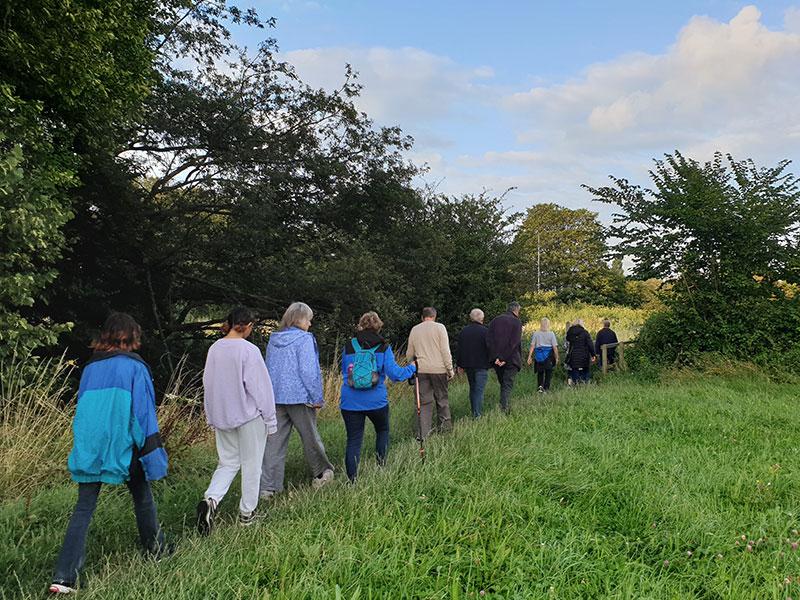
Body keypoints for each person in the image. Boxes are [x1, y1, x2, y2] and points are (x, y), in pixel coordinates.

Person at [49, 313, 169, 594]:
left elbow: (83, 409)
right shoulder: (135, 368)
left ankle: (63, 577)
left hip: (90, 446)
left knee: (83, 508)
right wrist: (154, 457)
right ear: (132, 336)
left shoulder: (91, 367)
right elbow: (143, 417)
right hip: (123, 446)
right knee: (142, 496)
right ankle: (158, 550)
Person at [196, 306, 277, 534]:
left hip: (223, 415)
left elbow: (208, 383)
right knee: (252, 465)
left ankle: (211, 500)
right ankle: (247, 514)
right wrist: (270, 419)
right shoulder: (248, 351)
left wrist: (211, 414)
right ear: (248, 326)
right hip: (249, 417)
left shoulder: (215, 349)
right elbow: (260, 388)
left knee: (228, 462)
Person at [261, 302, 335, 498]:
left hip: (275, 397)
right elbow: (308, 371)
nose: (310, 324)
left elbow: (268, 368)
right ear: (301, 319)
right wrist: (317, 397)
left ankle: (268, 488)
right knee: (310, 437)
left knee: (274, 443)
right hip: (300, 397)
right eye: (309, 320)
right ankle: (322, 474)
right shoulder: (304, 339)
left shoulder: (274, 339)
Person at [340, 311, 416, 482]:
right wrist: (412, 367)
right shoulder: (383, 347)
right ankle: (381, 466)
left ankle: (352, 480)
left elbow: (343, 370)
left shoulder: (348, 346)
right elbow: (396, 375)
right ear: (378, 327)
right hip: (376, 401)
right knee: (382, 430)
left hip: (350, 401)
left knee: (353, 440)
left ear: (361, 324)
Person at [406, 307, 454, 439]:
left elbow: (409, 353)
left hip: (421, 370)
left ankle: (423, 434)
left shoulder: (415, 329)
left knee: (424, 403)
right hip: (439, 369)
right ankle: (445, 430)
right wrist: (450, 369)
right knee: (442, 400)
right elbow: (445, 350)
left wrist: (411, 366)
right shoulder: (440, 328)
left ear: (422, 317)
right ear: (435, 316)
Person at [487, 302, 523, 413]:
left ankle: (504, 405)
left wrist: (496, 357)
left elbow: (489, 340)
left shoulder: (495, 321)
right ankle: (505, 409)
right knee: (507, 385)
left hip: (496, 360)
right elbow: (514, 342)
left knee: (503, 383)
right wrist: (503, 358)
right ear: (516, 310)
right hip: (511, 359)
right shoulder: (516, 322)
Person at [455, 308, 490, 418]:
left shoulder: (464, 331)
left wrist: (459, 365)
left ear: (471, 318)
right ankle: (477, 415)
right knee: (479, 390)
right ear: (482, 318)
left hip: (468, 365)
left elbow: (459, 349)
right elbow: (490, 348)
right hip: (482, 365)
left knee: (473, 388)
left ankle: (474, 411)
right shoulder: (486, 331)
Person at [526, 317, 560, 393]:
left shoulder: (536, 333)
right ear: (548, 324)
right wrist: (557, 357)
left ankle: (540, 387)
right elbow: (554, 347)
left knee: (540, 372)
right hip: (548, 356)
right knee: (548, 372)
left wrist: (529, 357)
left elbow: (532, 346)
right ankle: (546, 388)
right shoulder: (551, 334)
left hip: (538, 355)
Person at [565, 318, 596, 384]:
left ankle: (575, 384)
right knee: (585, 369)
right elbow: (590, 344)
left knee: (574, 369)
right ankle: (585, 383)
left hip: (573, 355)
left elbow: (567, 340)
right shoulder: (585, 333)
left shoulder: (570, 333)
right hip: (584, 355)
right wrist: (593, 354)